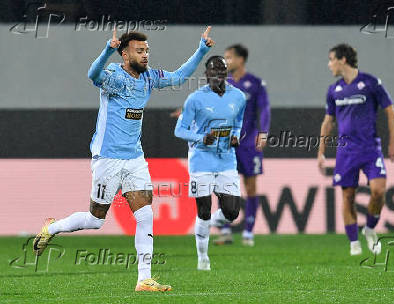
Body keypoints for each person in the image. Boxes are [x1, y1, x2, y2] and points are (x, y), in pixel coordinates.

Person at [33, 26, 214, 291]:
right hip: (107, 157)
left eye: (147, 51)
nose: (145, 55)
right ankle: (52, 228)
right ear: (124, 54)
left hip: (134, 158)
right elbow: (92, 74)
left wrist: (201, 50)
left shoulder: (150, 77)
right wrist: (107, 49)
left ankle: (144, 278)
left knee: (145, 215)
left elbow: (177, 78)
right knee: (96, 220)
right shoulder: (114, 77)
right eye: (139, 51)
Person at [317, 43, 394, 256]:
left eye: (331, 59)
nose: (329, 65)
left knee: (379, 191)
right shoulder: (333, 90)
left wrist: (393, 142)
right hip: (346, 151)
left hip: (370, 148)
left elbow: (391, 112)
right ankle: (354, 244)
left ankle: (370, 229)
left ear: (342, 60)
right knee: (348, 197)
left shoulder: (371, 83)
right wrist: (321, 152)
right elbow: (328, 122)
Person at [174, 56, 246, 270]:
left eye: (222, 71)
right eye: (213, 71)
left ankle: (206, 225)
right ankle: (203, 257)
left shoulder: (239, 97)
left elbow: (239, 120)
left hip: (226, 160)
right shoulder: (195, 100)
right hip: (201, 160)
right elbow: (180, 130)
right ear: (206, 74)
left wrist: (235, 135)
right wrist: (200, 138)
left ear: (226, 74)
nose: (218, 75)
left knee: (232, 213)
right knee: (203, 209)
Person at [213, 44, 270, 246]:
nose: (225, 61)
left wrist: (263, 132)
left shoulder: (255, 84)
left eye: (229, 57)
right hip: (226, 142)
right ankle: (226, 230)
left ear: (240, 60)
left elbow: (264, 109)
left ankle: (248, 232)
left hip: (249, 143)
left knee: (251, 186)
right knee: (223, 185)